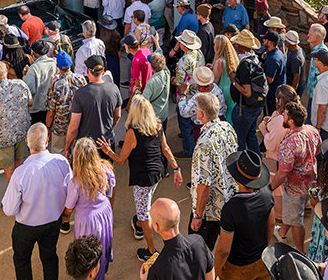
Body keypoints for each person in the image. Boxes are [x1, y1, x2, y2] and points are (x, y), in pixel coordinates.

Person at [97, 95, 183, 260]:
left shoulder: (132, 133)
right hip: (157, 173)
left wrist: (108, 151)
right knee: (145, 203)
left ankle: (151, 252)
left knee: (144, 215)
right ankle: (138, 223)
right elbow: (165, 149)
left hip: (143, 178)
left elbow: (121, 160)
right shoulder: (157, 126)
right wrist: (176, 169)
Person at [2, 123, 72, 280]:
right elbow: (70, 191)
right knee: (50, 257)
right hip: (53, 222)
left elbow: (9, 210)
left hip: (26, 227)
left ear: (27, 142)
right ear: (47, 140)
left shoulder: (20, 173)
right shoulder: (61, 162)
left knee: (22, 260)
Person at [269, 101, 321, 253]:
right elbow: (318, 149)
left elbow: (284, 172)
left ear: (291, 121)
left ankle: (300, 251)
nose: (282, 117)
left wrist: (271, 187)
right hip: (311, 182)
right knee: (293, 213)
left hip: (295, 187)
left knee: (297, 221)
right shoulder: (312, 130)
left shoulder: (289, 144)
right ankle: (282, 232)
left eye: (285, 115)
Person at [189, 93, 238, 250]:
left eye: (196, 109)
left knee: (199, 251)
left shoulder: (204, 143)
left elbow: (204, 184)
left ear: (201, 114)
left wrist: (198, 216)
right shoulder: (227, 127)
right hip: (228, 200)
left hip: (209, 211)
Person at [214, 150, 273, 279]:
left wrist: (215, 273)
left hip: (237, 268)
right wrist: (264, 250)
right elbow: (271, 224)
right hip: (261, 261)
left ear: (237, 179)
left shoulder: (230, 209)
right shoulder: (267, 195)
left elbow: (223, 250)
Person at [62, 138, 115, 280]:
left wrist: (65, 216)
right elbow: (111, 190)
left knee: (87, 254)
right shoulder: (105, 168)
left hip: (87, 221)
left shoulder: (76, 181)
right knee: (103, 244)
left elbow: (69, 207)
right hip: (105, 212)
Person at [0, 61, 33, 182]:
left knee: (9, 168)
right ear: (7, 71)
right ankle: (21, 188)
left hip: (3, 138)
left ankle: (13, 192)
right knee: (19, 163)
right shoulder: (21, 84)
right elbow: (30, 102)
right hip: (21, 132)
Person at [141, 198, 215, 280]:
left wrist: (145, 278)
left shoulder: (157, 270)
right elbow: (210, 275)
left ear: (156, 227)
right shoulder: (198, 241)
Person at [66, 55, 122, 158]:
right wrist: (108, 129)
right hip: (107, 144)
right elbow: (118, 115)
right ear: (103, 70)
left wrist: (67, 148)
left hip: (86, 147)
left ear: (87, 71)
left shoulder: (80, 94)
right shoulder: (114, 89)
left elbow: (73, 127)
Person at [258, 85, 297, 223]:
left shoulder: (281, 120)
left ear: (280, 100)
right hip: (286, 157)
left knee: (277, 187)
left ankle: (279, 216)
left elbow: (270, 144)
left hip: (276, 159)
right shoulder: (290, 114)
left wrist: (263, 129)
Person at [230, 30, 265, 153]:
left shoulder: (244, 65)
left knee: (239, 140)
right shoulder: (254, 58)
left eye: (238, 44)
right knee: (251, 136)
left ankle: (240, 163)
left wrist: (233, 81)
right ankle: (256, 161)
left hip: (245, 108)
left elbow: (247, 92)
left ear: (242, 47)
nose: (236, 46)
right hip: (255, 106)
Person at [45, 52, 86, 154]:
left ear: (57, 66)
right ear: (71, 63)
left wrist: (48, 126)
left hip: (60, 127)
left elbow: (50, 112)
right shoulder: (81, 79)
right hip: (79, 123)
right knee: (77, 153)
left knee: (58, 154)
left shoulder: (55, 85)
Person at [173, 30, 206, 156]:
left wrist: (172, 80)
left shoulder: (184, 60)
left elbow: (179, 82)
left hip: (186, 95)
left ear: (183, 45)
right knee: (195, 121)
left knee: (185, 123)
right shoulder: (199, 53)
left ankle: (188, 150)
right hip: (198, 91)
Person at [179, 66, 228, 133]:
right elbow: (223, 107)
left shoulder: (198, 98)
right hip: (219, 121)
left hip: (202, 127)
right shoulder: (215, 87)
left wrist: (183, 94)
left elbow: (183, 112)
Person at [23, 41, 56, 125]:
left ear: (35, 53)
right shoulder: (54, 64)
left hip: (37, 107)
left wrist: (25, 76)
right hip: (50, 106)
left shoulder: (34, 68)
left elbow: (30, 89)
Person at [138, 54, 171, 129]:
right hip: (164, 114)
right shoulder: (167, 73)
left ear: (152, 67)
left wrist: (137, 92)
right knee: (163, 133)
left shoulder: (151, 82)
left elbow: (144, 101)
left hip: (154, 117)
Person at [211, 35, 239, 123]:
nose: (213, 46)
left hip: (222, 91)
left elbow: (214, 80)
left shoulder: (219, 61)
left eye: (214, 44)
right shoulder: (233, 59)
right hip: (232, 90)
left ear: (219, 46)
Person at [262, 30, 286, 115]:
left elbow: (269, 80)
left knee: (270, 116)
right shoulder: (278, 53)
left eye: (265, 39)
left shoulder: (273, 59)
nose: (263, 40)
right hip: (278, 92)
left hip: (272, 95)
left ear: (270, 43)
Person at [97, 15, 122, 85]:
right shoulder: (117, 35)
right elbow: (119, 50)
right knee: (116, 78)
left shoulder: (101, 38)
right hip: (115, 58)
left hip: (105, 60)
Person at [284, 31, 307, 97]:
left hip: (297, 87)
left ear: (290, 43)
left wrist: (292, 93)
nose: (284, 41)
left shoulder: (295, 58)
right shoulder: (299, 49)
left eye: (286, 40)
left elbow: (296, 77)